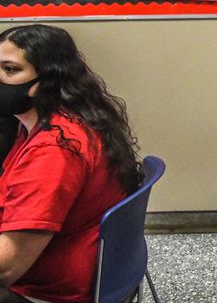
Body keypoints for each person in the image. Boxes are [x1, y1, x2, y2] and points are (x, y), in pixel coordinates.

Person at [0, 24, 140, 303]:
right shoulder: (64, 120)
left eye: (10, 70)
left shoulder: (55, 148)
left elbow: (6, 267)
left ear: (48, 79)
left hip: (45, 291)